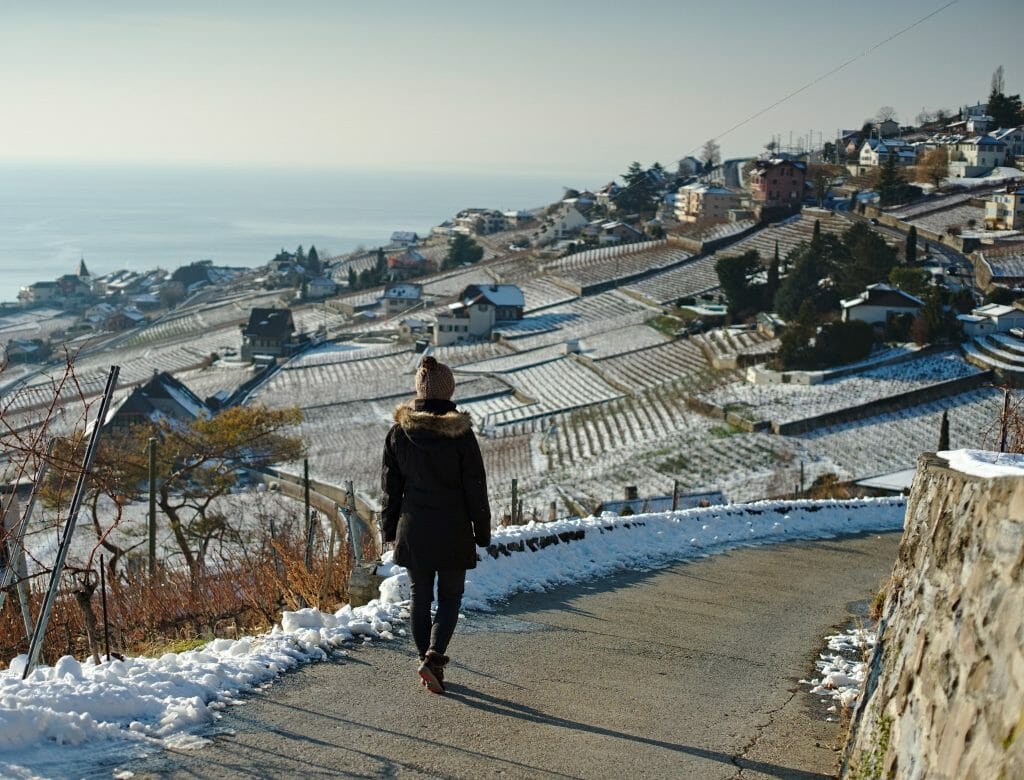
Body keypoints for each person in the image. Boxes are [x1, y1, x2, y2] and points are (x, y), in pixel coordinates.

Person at [381, 355, 491, 694]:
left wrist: (388, 531)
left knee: (419, 597)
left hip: (413, 528)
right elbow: (475, 485)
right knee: (450, 597)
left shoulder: (398, 433)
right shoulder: (461, 435)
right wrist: (482, 531)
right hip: (453, 529)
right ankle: (434, 655)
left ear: (419, 389)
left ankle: (426, 661)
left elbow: (390, 487)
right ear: (449, 390)